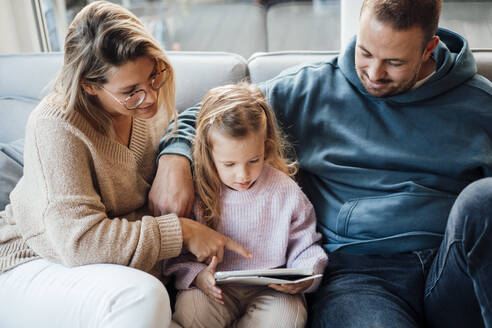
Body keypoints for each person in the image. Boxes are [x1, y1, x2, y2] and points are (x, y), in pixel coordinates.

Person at [150, 0, 492, 327]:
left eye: (395, 62)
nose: (374, 73)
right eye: (366, 52)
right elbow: (215, 112)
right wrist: (174, 157)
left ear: (428, 49)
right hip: (360, 276)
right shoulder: (311, 89)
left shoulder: (479, 105)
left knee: (482, 201)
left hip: (452, 271)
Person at [0, 1, 250, 327]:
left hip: (112, 271)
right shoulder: (56, 125)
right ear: (89, 86)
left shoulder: (143, 108)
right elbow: (80, 243)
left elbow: (201, 116)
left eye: (153, 76)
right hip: (31, 262)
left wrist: (175, 155)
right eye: (131, 91)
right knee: (143, 297)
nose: (151, 98)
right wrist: (182, 232)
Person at [162, 83, 328, 327]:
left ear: (266, 147)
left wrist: (304, 275)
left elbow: (306, 245)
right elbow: (175, 252)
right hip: (213, 286)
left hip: (272, 289)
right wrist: (197, 277)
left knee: (287, 318)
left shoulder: (285, 191)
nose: (243, 175)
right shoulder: (197, 189)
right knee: (191, 314)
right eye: (229, 164)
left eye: (254, 160)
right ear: (208, 153)